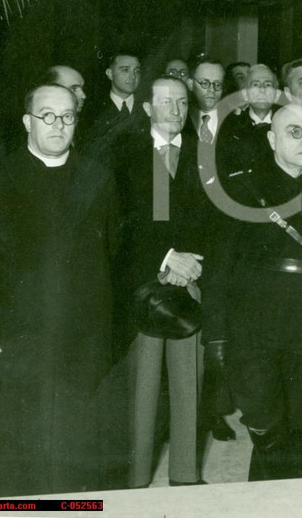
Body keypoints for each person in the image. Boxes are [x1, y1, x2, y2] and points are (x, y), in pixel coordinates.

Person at [0, 84, 118, 497]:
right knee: (21, 445)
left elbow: (112, 251)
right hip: (18, 333)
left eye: (68, 116)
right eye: (47, 115)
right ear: (27, 122)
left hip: (83, 335)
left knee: (77, 445)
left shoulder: (98, 178)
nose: (58, 125)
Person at [205, 103, 302, 480]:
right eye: (295, 132)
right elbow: (220, 266)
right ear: (272, 139)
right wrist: (216, 334)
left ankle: (281, 495)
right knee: (266, 423)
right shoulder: (243, 187)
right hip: (256, 324)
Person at [112, 76, 208, 487]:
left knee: (190, 383)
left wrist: (192, 264)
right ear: (148, 108)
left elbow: (217, 221)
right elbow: (119, 224)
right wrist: (166, 258)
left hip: (193, 278)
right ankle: (135, 481)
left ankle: (185, 475)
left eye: (183, 102)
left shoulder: (205, 156)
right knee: (143, 387)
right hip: (144, 282)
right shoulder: (124, 155)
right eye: (166, 102)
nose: (176, 110)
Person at [183, 56, 236, 442]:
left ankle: (213, 411)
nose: (212, 91)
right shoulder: (175, 120)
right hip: (184, 235)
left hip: (223, 236)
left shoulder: (235, 126)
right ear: (190, 83)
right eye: (204, 83)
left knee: (217, 323)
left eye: (218, 84)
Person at [218, 64, 281, 187]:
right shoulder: (229, 128)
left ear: (277, 94)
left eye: (268, 84)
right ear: (245, 94)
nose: (262, 89)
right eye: (255, 84)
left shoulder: (289, 125)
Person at [83, 51, 145, 156]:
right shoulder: (92, 111)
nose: (133, 76)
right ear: (110, 73)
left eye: (137, 71)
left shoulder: (148, 108)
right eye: (125, 70)